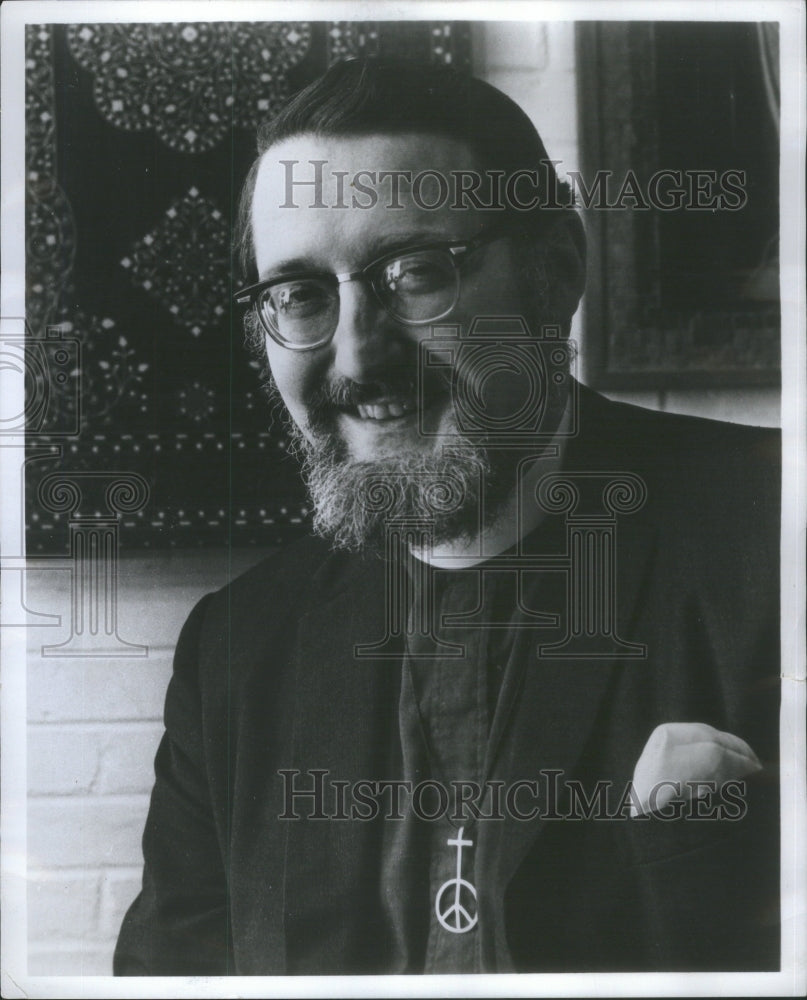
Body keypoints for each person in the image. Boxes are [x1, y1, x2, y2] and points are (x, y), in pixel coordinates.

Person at [114, 58, 780, 976]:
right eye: (300, 296)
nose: (358, 357)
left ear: (553, 274)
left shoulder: (772, 540)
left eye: (414, 273)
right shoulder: (233, 652)